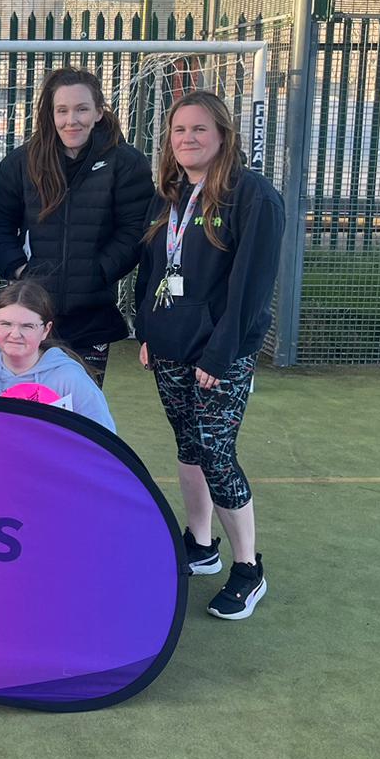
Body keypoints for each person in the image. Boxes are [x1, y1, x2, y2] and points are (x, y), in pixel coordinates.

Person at [134, 92, 285, 622]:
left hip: (219, 354)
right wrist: (148, 328)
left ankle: (248, 569)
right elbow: (154, 267)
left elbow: (249, 289)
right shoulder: (170, 194)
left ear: (223, 135)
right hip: (170, 347)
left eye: (199, 129)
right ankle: (200, 544)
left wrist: (220, 354)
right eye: (179, 130)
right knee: (188, 447)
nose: (188, 139)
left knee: (218, 454)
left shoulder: (252, 196)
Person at [0, 67, 154, 385]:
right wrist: (20, 270)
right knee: (29, 409)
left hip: (91, 317)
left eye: (81, 109)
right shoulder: (24, 162)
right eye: (62, 110)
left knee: (80, 412)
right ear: (50, 114)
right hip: (32, 314)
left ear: (99, 112)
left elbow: (134, 229)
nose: (71, 120)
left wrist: (98, 271)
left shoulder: (125, 163)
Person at [0, 280, 117, 432]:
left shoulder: (70, 379)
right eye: (6, 324)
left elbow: (103, 436)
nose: (15, 334)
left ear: (46, 330)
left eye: (27, 326)